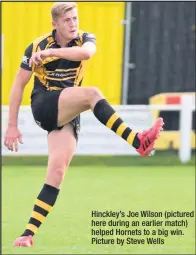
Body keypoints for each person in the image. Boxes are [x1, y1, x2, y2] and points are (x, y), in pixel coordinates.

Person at [4, 2, 164, 247]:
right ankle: (137, 140)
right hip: (45, 105)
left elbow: (86, 53)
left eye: (75, 19)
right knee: (92, 95)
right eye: (67, 20)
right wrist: (12, 126)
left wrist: (50, 54)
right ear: (54, 24)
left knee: (56, 173)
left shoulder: (84, 39)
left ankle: (27, 234)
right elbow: (18, 86)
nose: (73, 24)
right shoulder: (36, 46)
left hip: (68, 108)